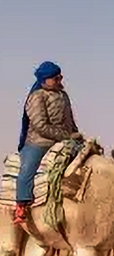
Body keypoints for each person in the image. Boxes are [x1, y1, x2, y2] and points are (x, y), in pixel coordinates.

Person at [13, 61, 82, 224]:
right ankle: (21, 205)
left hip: (66, 139)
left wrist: (76, 134)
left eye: (60, 77)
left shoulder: (63, 96)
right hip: (40, 142)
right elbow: (40, 126)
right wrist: (66, 136)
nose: (59, 81)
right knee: (27, 170)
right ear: (44, 80)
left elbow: (70, 120)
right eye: (55, 78)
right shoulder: (37, 97)